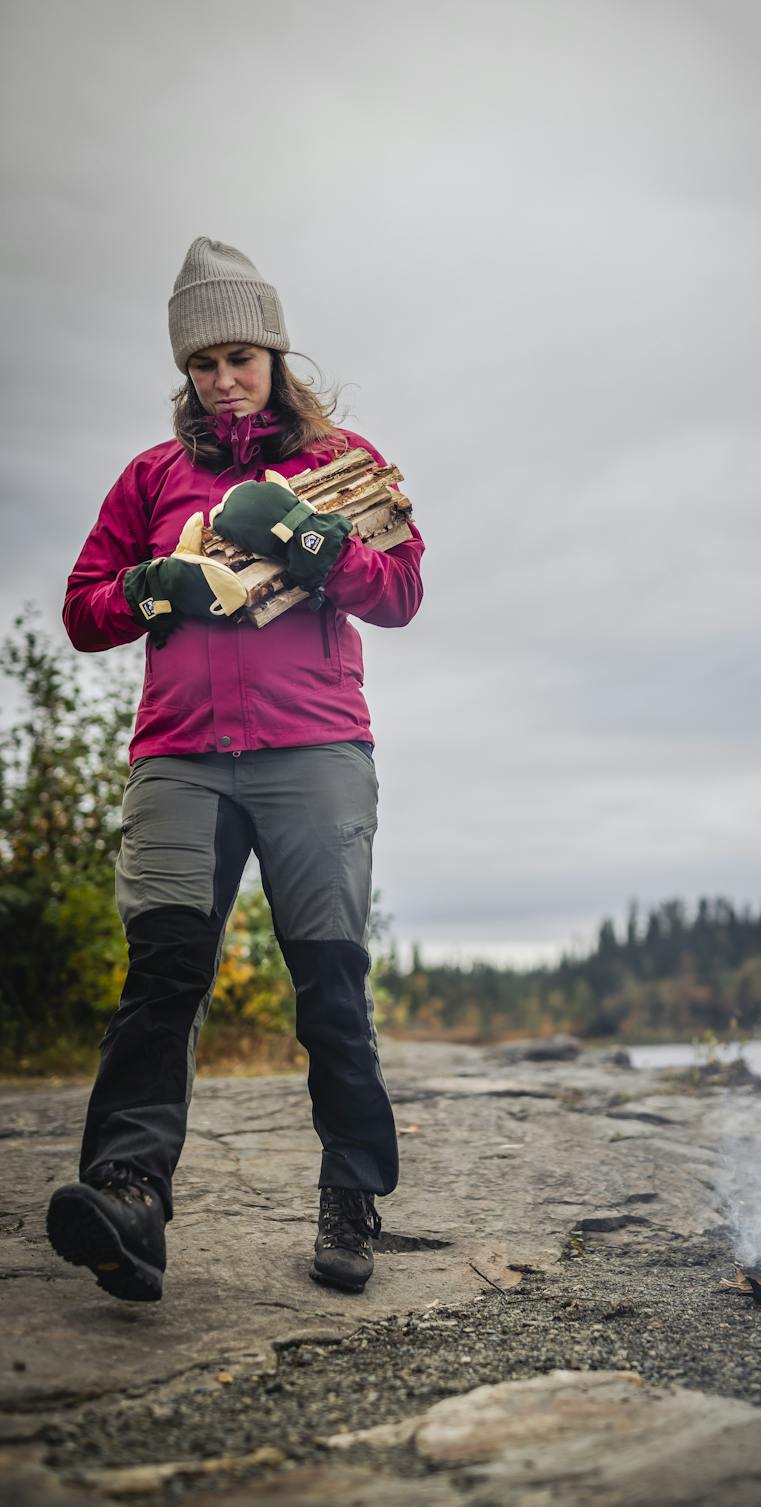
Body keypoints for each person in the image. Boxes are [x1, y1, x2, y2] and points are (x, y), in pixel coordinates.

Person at [45, 237, 424, 1302]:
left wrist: (316, 548)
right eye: (203, 364)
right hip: (181, 759)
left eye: (240, 357)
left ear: (274, 351)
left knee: (328, 989)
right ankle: (127, 1196)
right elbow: (83, 609)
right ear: (186, 373)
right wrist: (158, 587)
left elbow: (399, 593)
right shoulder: (152, 479)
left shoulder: (339, 463)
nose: (222, 380)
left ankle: (351, 1193)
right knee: (162, 975)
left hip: (314, 750)